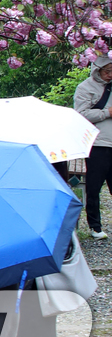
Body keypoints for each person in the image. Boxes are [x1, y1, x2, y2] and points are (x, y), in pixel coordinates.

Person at [72, 54, 112, 240]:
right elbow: (81, 114)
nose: (110, 75)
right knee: (95, 187)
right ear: (98, 70)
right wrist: (106, 113)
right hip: (97, 144)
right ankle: (95, 227)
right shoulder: (85, 88)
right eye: (107, 71)